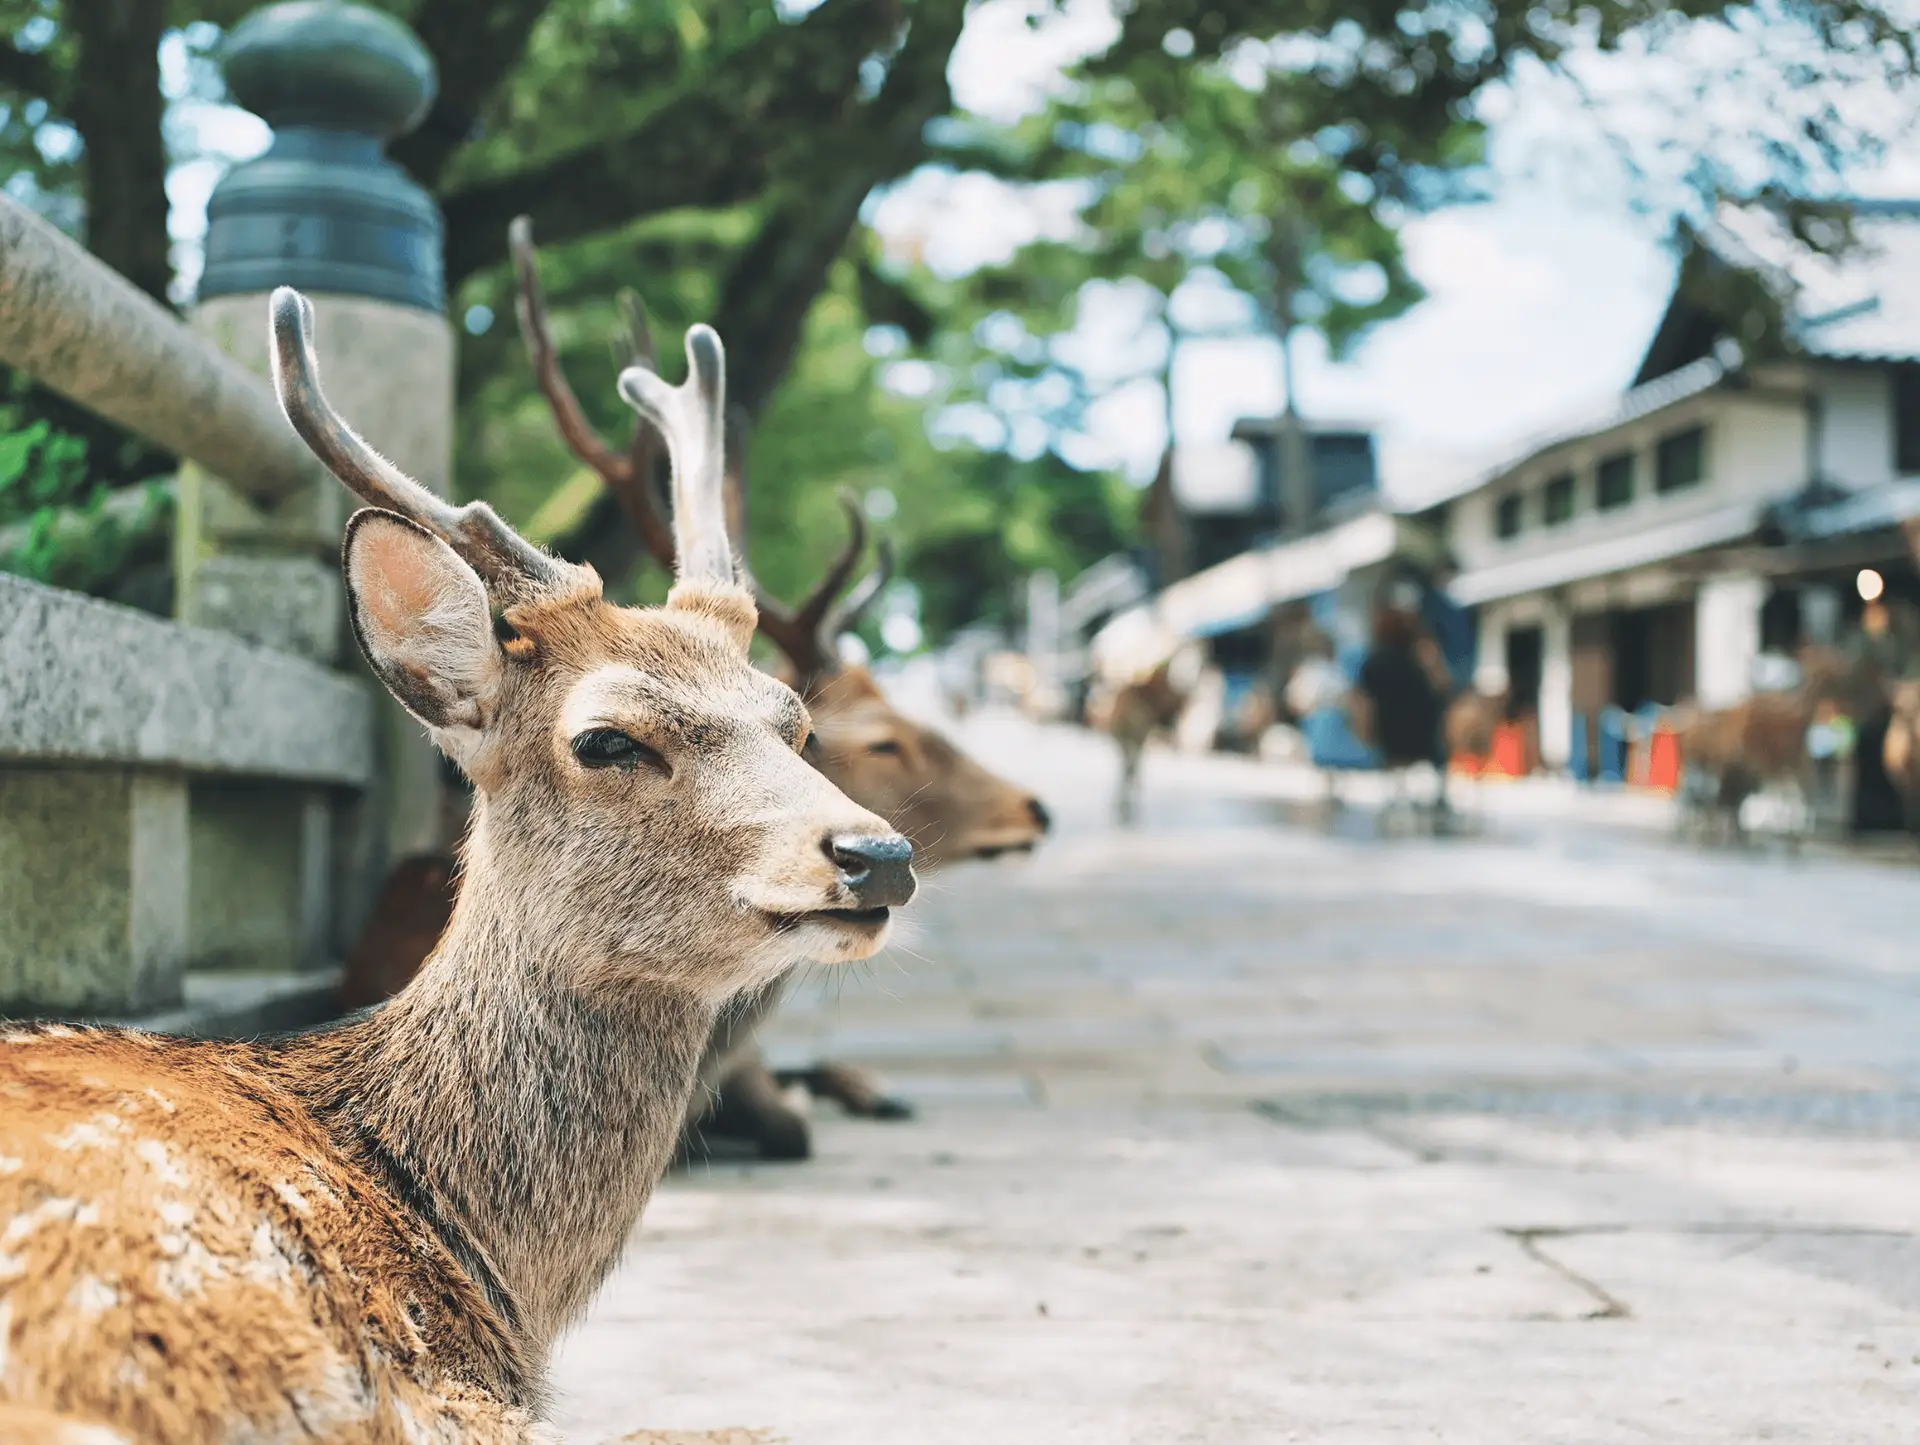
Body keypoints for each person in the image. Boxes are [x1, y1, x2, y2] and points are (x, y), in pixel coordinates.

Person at [1353, 592, 1454, 827]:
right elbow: (1445, 687)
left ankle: (1405, 799)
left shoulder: (1374, 661)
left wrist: (1366, 735)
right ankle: (1435, 801)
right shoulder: (1421, 657)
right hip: (1424, 739)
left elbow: (1363, 703)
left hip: (1392, 740)